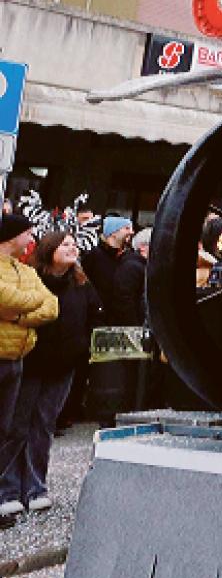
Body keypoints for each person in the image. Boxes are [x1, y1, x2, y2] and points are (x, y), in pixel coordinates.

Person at [0, 230, 98, 515]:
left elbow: (92, 314)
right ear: (49, 249)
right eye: (65, 244)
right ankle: (8, 488)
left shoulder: (82, 282)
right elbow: (28, 311)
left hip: (63, 365)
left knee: (44, 425)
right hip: (32, 361)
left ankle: (36, 487)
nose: (72, 247)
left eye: (74, 244)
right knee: (17, 425)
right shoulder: (31, 277)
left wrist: (82, 349)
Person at [0, 213, 59, 517]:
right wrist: (26, 301)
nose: (32, 239)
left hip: (16, 358)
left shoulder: (24, 270)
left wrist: (18, 316)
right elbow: (4, 296)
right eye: (28, 233)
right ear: (13, 236)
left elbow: (51, 305)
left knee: (7, 431)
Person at [81, 215, 131, 309]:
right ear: (113, 232)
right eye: (126, 228)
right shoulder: (94, 255)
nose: (131, 232)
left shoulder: (126, 256)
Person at [111, 228, 150, 329]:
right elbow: (124, 300)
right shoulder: (132, 266)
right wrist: (135, 327)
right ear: (142, 247)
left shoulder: (140, 264)